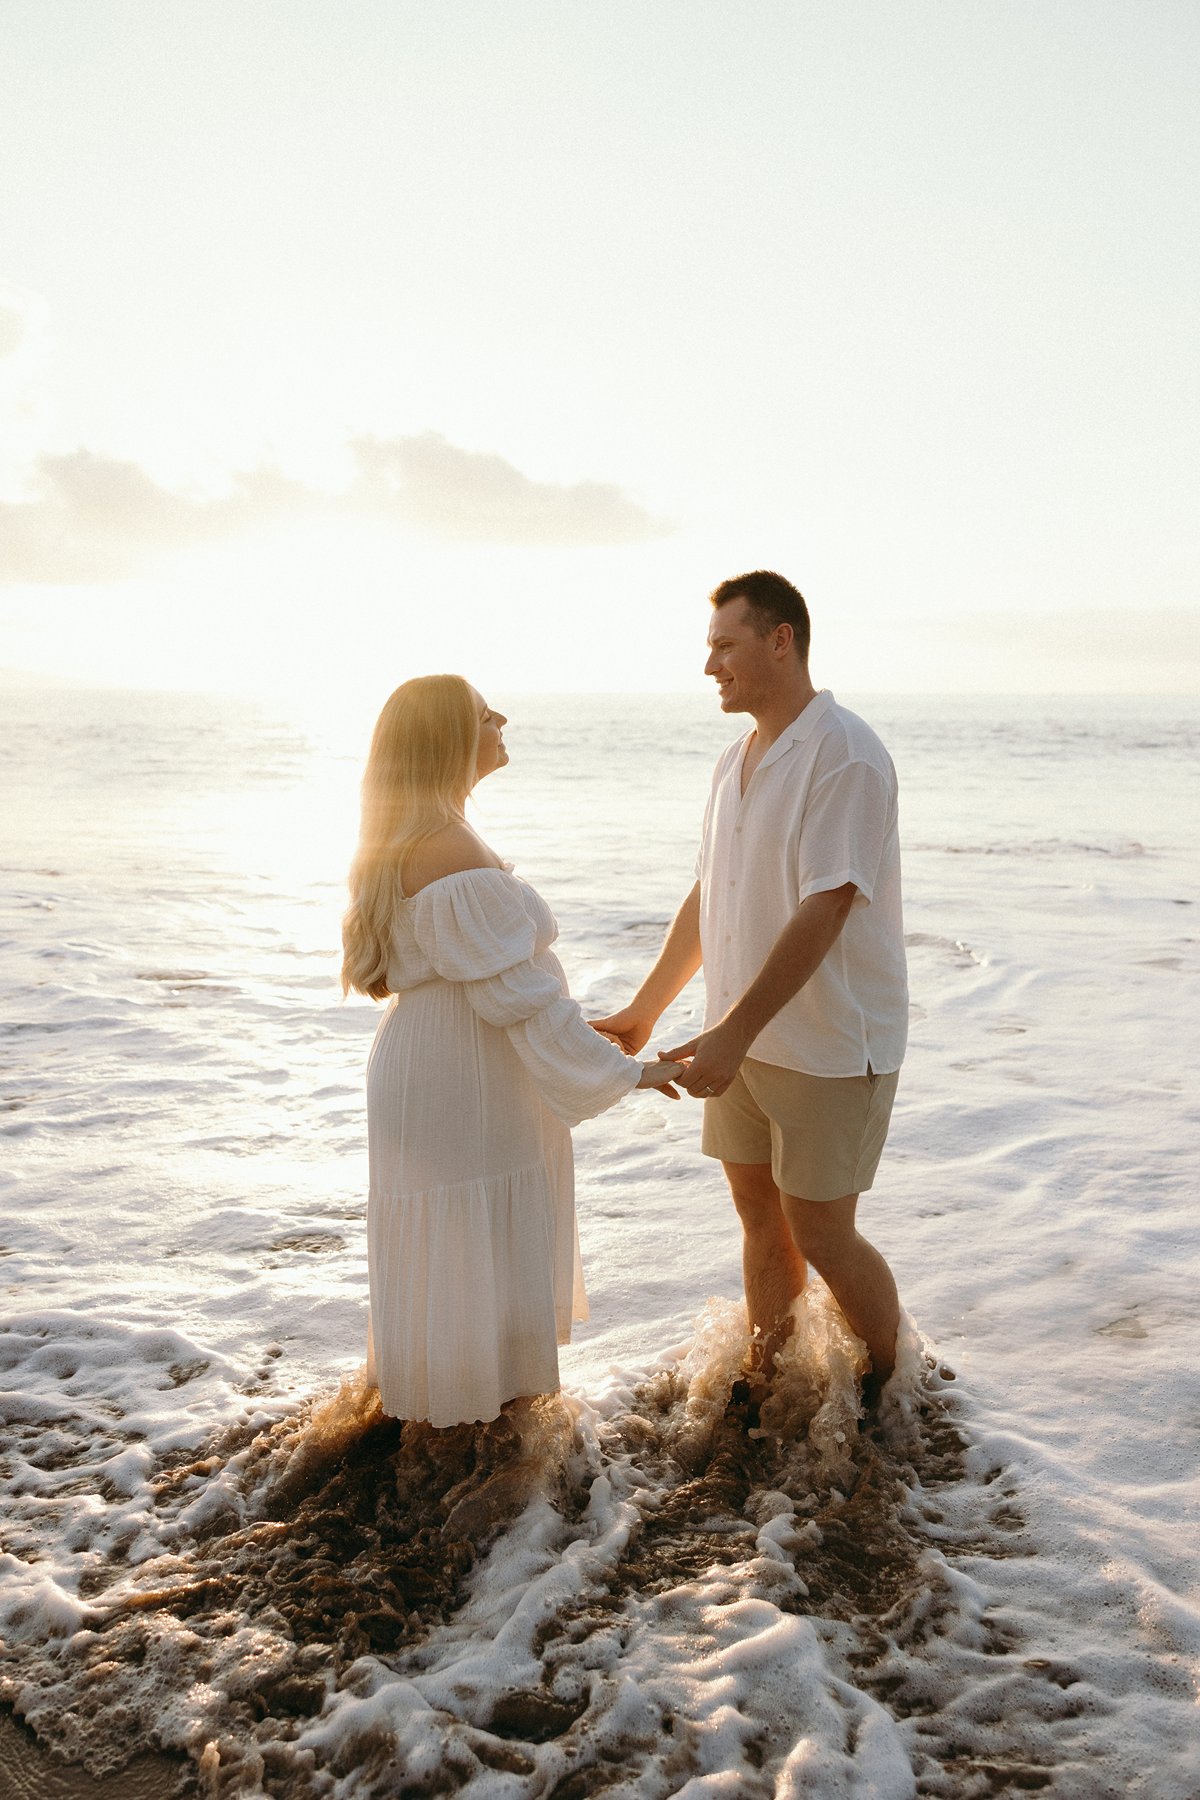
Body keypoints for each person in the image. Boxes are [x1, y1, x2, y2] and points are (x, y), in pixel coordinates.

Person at [593, 571, 907, 1400]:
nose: (711, 668)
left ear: (781, 640)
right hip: (740, 1040)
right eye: (709, 650)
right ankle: (768, 1380)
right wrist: (645, 1010)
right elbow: (711, 893)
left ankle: (895, 1394)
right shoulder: (734, 759)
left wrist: (733, 1032)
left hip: (831, 1043)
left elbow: (828, 905)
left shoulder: (846, 755)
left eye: (724, 646)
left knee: (825, 1233)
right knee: (760, 1220)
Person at [341, 674, 681, 1429]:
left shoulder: (412, 838)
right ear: (447, 741)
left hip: (433, 1059)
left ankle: (438, 1448)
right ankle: (501, 1474)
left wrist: (582, 1032)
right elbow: (515, 994)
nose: (502, 718)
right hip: (466, 1070)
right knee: (480, 1261)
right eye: (481, 713)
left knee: (451, 1263)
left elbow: (503, 982)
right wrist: (631, 1072)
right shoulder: (451, 846)